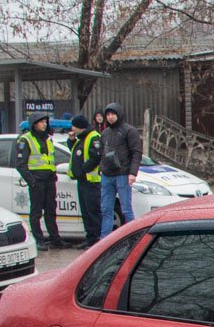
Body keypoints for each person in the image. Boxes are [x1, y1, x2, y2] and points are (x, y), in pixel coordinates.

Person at [14, 113, 66, 251]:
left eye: (45, 122)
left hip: (49, 180)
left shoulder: (48, 139)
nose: (44, 124)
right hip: (37, 180)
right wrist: (32, 181)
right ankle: (38, 239)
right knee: (36, 212)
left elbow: (50, 160)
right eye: (41, 122)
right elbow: (20, 164)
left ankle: (55, 239)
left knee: (51, 210)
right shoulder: (26, 139)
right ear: (34, 124)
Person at [98, 102, 141, 238]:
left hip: (123, 174)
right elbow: (102, 152)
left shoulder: (129, 130)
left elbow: (136, 153)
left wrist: (133, 173)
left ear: (119, 114)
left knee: (126, 209)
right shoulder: (105, 133)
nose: (110, 117)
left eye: (113, 114)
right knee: (106, 209)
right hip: (107, 174)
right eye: (108, 115)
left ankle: (133, 237)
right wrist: (101, 167)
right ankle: (104, 240)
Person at [67, 114, 102, 247]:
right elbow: (76, 153)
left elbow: (96, 157)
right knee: (86, 212)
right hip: (82, 181)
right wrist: (71, 140)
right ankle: (90, 238)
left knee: (93, 211)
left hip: (91, 181)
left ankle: (98, 239)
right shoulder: (80, 138)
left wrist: (83, 169)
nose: (72, 129)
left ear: (79, 126)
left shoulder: (93, 137)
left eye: (74, 126)